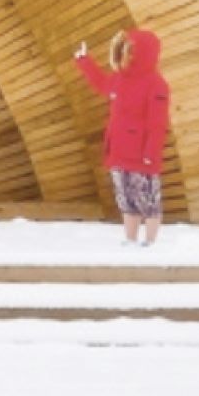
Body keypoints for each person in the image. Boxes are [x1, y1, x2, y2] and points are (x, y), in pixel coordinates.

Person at [74, 19, 173, 242]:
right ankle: (130, 239)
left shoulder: (156, 85)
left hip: (141, 156)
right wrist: (84, 61)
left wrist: (150, 154)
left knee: (148, 200)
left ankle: (151, 242)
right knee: (126, 199)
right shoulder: (120, 79)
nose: (125, 54)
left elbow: (157, 123)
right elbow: (101, 84)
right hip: (119, 151)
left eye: (130, 50)